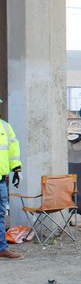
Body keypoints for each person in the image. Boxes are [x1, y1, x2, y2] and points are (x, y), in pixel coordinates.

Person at [1, 99, 24, 259]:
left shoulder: (5, 127)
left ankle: (2, 248)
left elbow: (13, 150)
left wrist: (16, 169)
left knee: (0, 214)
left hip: (1, 180)